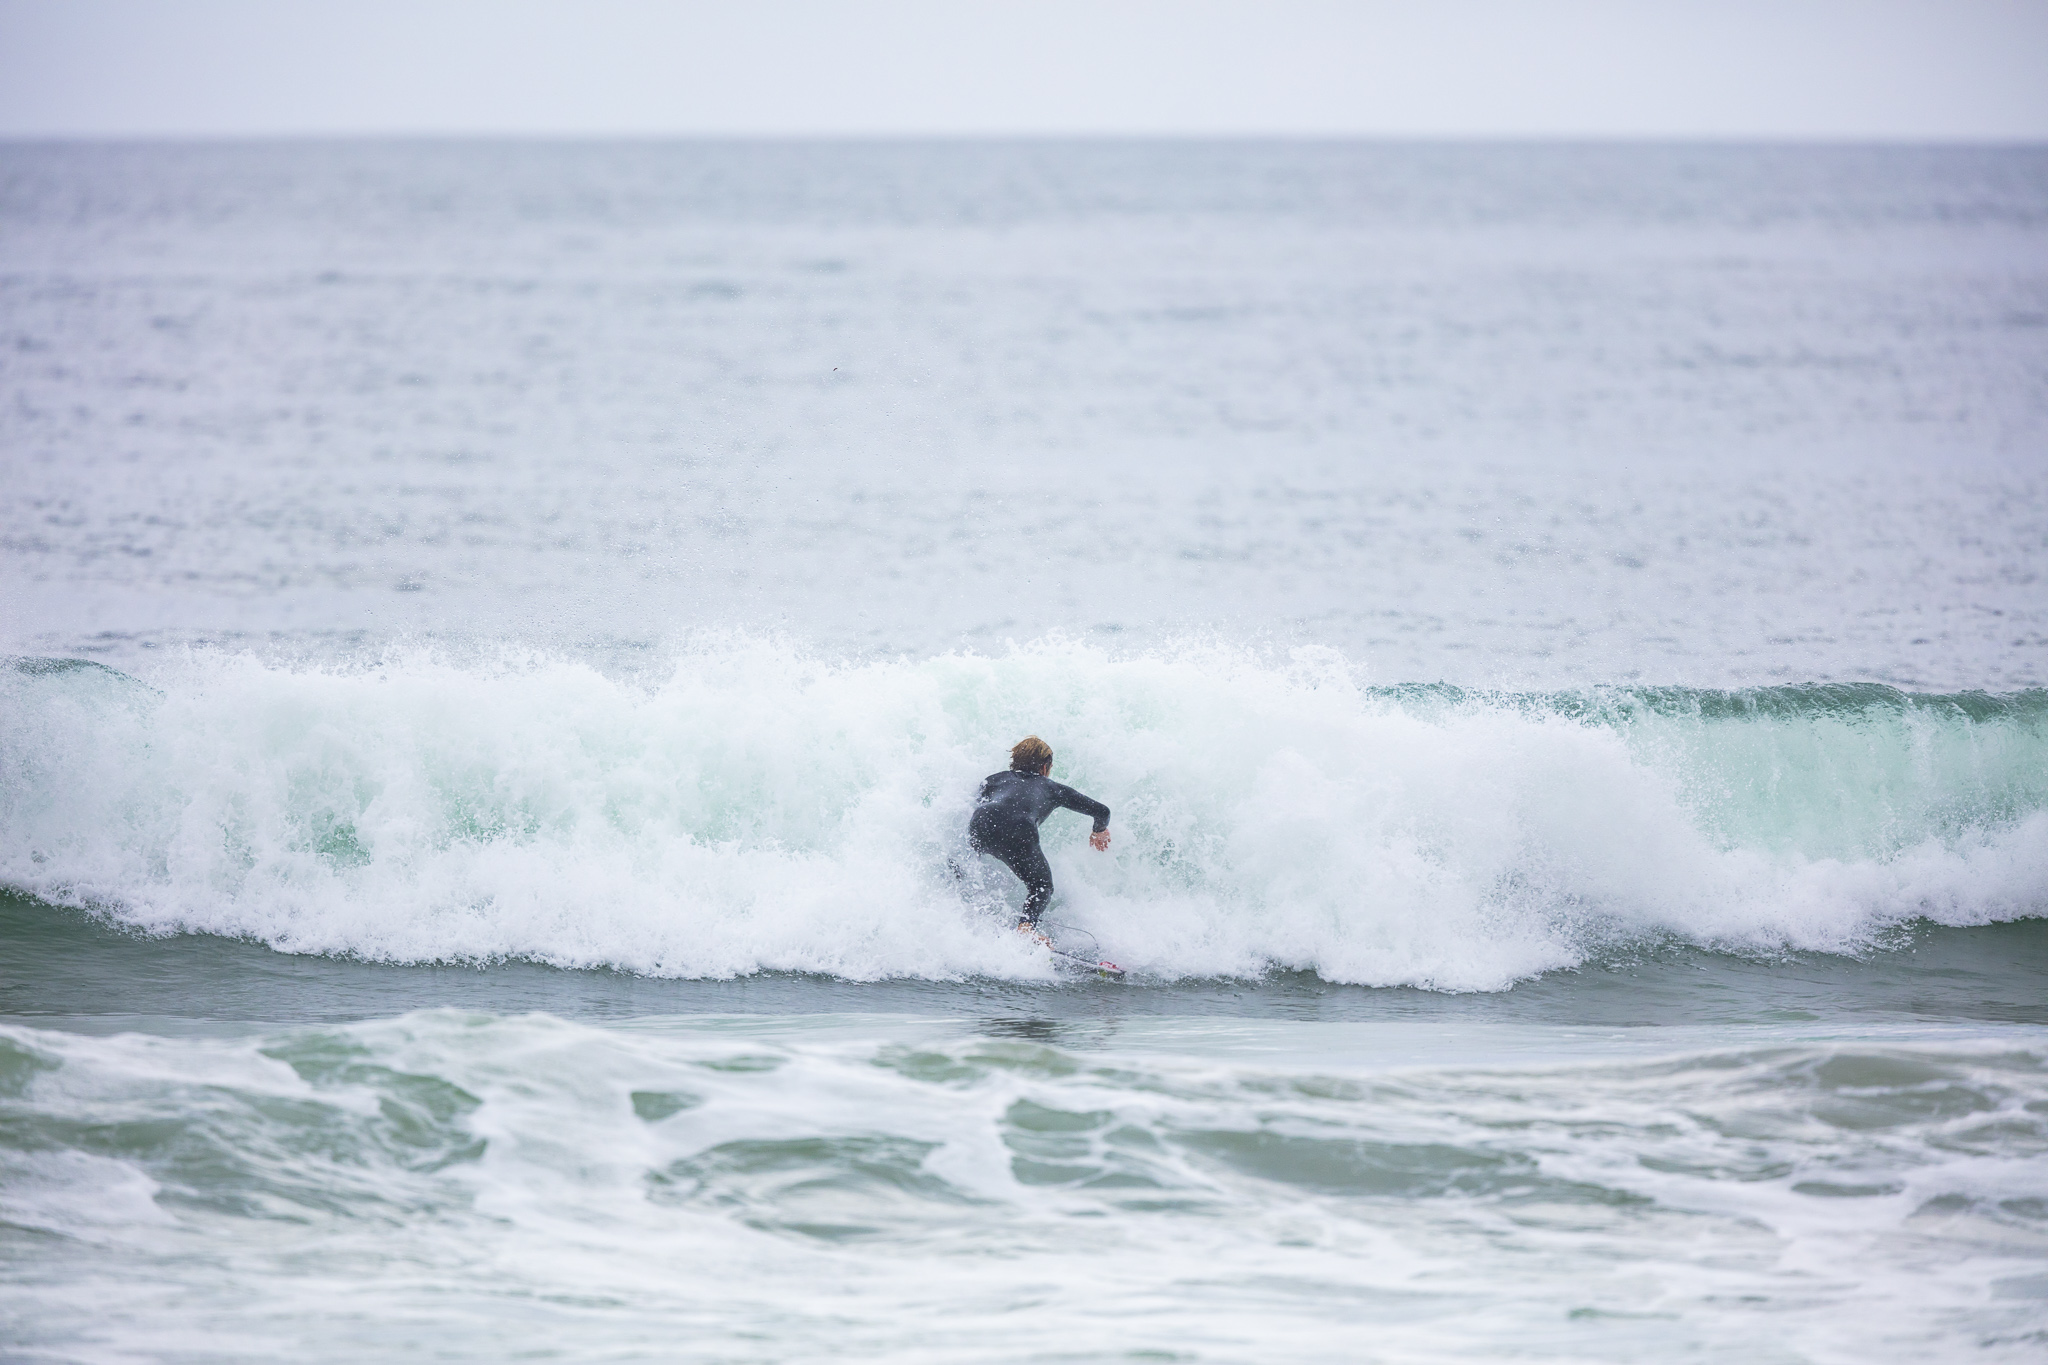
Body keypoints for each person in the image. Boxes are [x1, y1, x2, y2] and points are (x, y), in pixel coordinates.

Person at [967, 736, 1112, 934]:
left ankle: (960, 905)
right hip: (1019, 828)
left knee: (967, 864)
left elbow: (978, 805)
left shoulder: (992, 780)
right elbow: (1102, 811)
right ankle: (1027, 927)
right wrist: (1099, 830)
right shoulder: (1052, 788)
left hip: (981, 821)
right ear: (1045, 767)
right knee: (1041, 886)